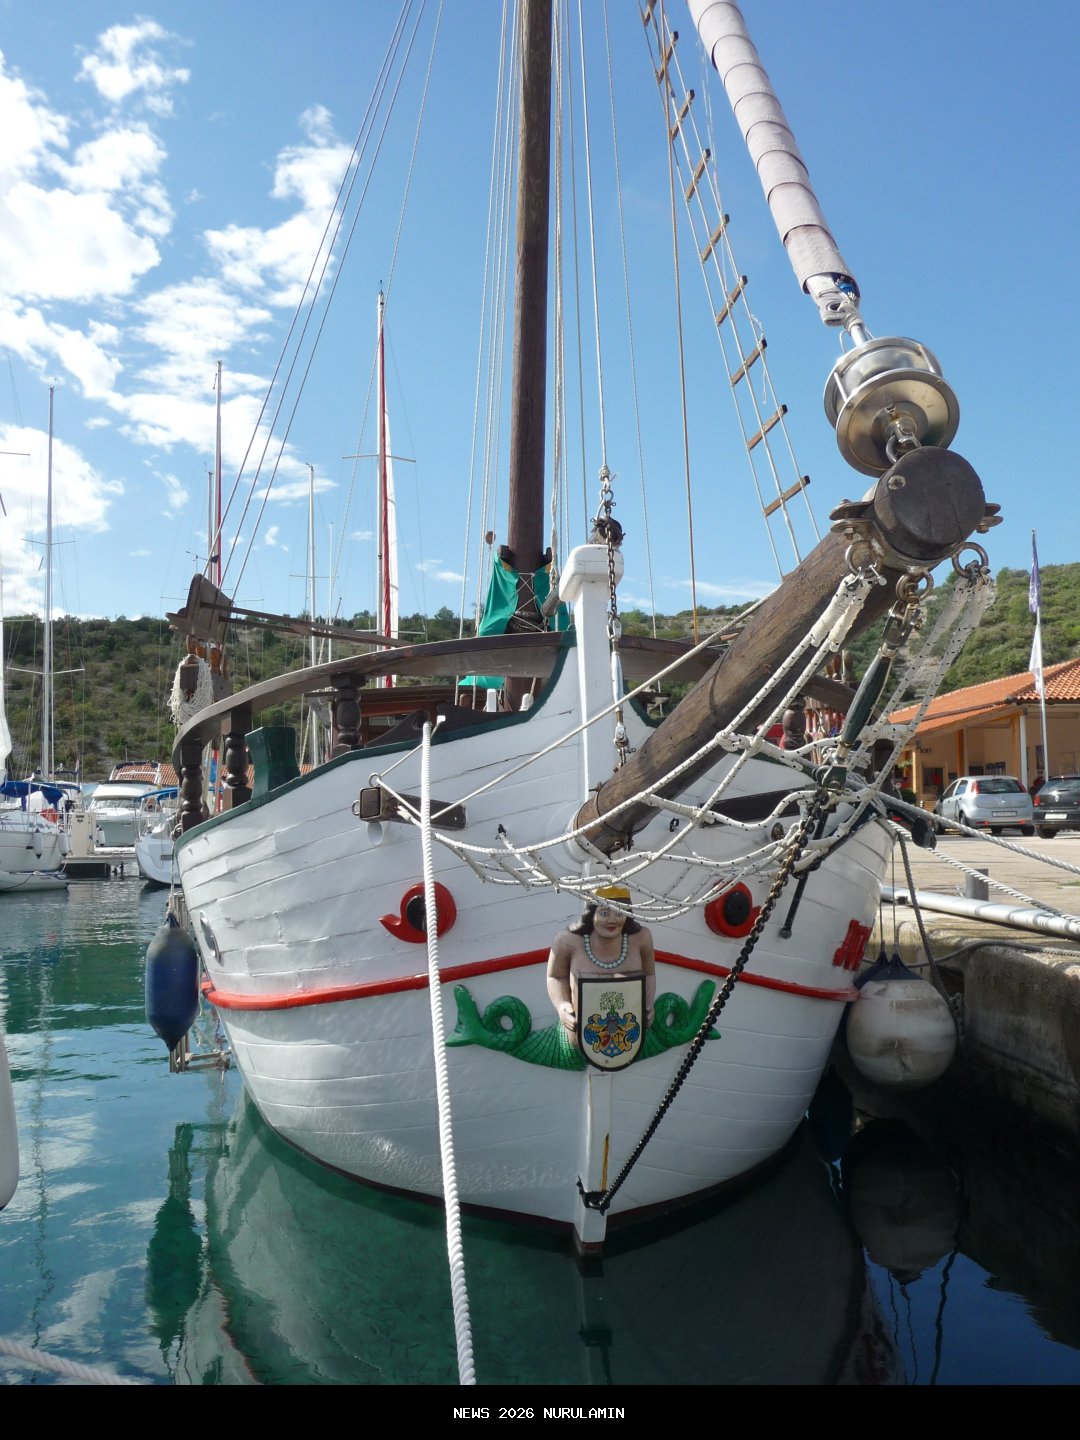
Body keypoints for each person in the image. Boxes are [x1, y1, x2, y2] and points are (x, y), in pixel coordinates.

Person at [546, 884, 655, 1036]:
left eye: (619, 913)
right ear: (591, 914)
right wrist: (562, 1006)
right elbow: (555, 977)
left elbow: (649, 974)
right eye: (604, 913)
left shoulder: (642, 938)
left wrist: (649, 1004)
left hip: (628, 1037)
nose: (612, 920)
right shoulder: (567, 941)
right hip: (580, 1037)